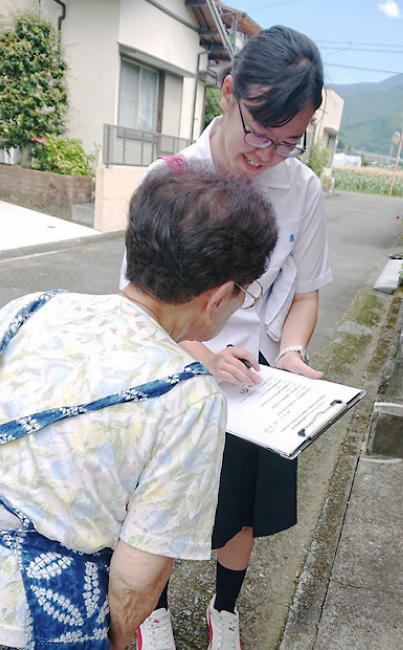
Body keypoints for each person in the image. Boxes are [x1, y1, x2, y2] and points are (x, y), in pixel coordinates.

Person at [0, 164, 278, 650]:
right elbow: (137, 578)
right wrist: (111, 640)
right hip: (32, 622)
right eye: (245, 291)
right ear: (218, 296)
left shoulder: (31, 308)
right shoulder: (188, 396)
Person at [120, 25, 333, 650]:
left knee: (241, 510)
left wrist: (290, 351)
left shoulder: (303, 188)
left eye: (289, 142)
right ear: (229, 91)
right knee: (156, 506)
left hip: (257, 382)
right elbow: (137, 309)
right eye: (260, 132)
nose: (268, 154)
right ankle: (151, 616)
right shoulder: (170, 180)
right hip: (176, 370)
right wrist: (203, 355)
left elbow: (307, 290)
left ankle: (225, 613)